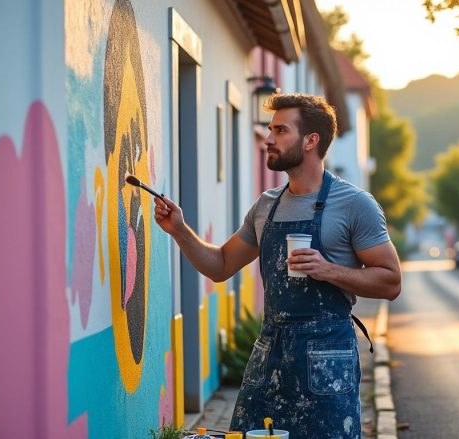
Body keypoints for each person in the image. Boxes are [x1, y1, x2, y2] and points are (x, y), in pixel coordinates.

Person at [153, 93, 401, 437]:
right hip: (269, 353)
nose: (268, 139)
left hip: (327, 356)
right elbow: (221, 265)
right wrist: (179, 230)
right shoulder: (266, 206)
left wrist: (327, 269)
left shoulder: (355, 204)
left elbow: (391, 282)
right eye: (270, 130)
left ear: (311, 140)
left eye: (280, 130)